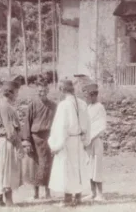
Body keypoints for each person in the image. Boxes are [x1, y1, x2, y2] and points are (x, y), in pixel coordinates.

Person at [48, 78, 91, 207]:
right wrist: (85, 140)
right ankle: (78, 197)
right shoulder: (82, 103)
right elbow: (87, 124)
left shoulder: (64, 105)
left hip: (68, 140)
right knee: (78, 168)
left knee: (67, 168)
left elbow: (61, 127)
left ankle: (67, 199)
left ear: (62, 90)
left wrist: (56, 145)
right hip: (78, 140)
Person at [21, 76, 56, 200]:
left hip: (48, 139)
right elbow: (27, 123)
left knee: (48, 164)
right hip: (35, 139)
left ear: (47, 91)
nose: (41, 93)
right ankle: (35, 193)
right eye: (39, 91)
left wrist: (56, 140)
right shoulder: (32, 105)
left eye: (44, 91)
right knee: (35, 165)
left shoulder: (53, 106)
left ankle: (47, 192)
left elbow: (57, 124)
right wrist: (26, 141)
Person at [0, 81, 24, 207]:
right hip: (9, 142)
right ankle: (8, 201)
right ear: (10, 93)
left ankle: (0, 199)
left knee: (2, 169)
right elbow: (10, 131)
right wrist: (19, 146)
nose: (17, 95)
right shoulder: (6, 107)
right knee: (7, 170)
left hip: (6, 141)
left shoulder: (4, 105)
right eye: (16, 92)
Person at [83, 83, 107, 202]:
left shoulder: (100, 107)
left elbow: (101, 126)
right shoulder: (88, 108)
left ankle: (100, 194)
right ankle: (92, 193)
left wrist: (91, 137)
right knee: (89, 167)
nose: (86, 98)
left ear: (93, 95)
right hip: (88, 142)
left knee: (97, 167)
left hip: (96, 141)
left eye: (87, 96)